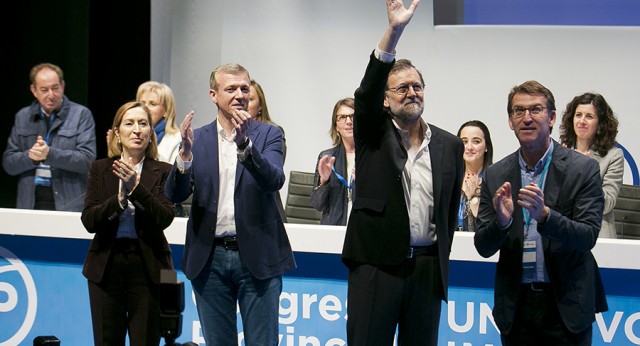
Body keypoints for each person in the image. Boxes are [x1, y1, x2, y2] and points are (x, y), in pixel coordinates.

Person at [342, 1, 465, 344]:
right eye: (402, 88)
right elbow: (365, 91)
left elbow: (447, 210)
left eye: (417, 86)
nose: (411, 92)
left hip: (426, 271)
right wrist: (394, 31)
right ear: (385, 100)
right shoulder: (371, 133)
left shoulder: (449, 145)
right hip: (376, 268)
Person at [165, 63, 296, 345]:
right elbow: (174, 194)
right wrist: (185, 155)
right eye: (231, 88)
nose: (240, 94)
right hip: (209, 259)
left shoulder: (268, 134)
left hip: (258, 257)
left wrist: (244, 145)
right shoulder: (196, 138)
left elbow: (274, 180)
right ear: (213, 95)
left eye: (244, 88)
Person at [474, 80, 608, 345]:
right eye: (518, 111)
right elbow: (483, 246)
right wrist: (501, 223)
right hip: (516, 307)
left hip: (566, 305)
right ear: (510, 121)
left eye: (536, 109)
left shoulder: (582, 169)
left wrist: (546, 216)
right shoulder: (496, 174)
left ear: (552, 117)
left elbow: (587, 236)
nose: (527, 118)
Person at [81, 101, 175, 345]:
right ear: (117, 133)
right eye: (129, 123)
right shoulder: (100, 169)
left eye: (143, 124)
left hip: (148, 267)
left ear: (151, 134)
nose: (137, 130)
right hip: (106, 265)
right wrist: (119, 200)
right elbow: (89, 220)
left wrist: (136, 189)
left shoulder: (163, 171)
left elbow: (164, 217)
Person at [2, 62, 96, 211]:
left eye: (55, 88)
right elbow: (9, 164)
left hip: (68, 203)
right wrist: (31, 157)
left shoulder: (81, 114)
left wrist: (49, 154)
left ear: (63, 86)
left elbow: (87, 161)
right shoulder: (22, 116)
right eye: (44, 90)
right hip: (30, 203)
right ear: (34, 90)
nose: (51, 95)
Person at [560, 92, 623, 238]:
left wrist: (583, 172)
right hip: (563, 231)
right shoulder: (561, 151)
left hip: (597, 234)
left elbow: (607, 204)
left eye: (589, 116)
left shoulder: (613, 155)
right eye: (578, 115)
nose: (582, 121)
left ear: (600, 123)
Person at [106, 81, 182, 165]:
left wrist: (152, 150)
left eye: (152, 104)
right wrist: (115, 149)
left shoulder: (176, 139)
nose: (146, 107)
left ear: (166, 111)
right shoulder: (128, 135)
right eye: (142, 103)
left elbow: (173, 174)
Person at [311, 97, 356, 226]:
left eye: (353, 116)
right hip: (333, 230)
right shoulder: (327, 157)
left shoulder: (371, 158)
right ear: (336, 126)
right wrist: (323, 182)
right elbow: (317, 205)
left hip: (362, 231)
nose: (348, 121)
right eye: (342, 117)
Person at [248, 79, 288, 222]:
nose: (244, 102)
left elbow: (271, 173)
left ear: (260, 106)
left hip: (265, 212)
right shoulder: (226, 132)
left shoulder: (273, 132)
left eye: (250, 99)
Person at [456, 120, 493, 232]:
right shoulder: (450, 179)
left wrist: (473, 199)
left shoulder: (495, 180)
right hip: (453, 245)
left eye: (476, 141)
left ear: (486, 146)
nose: (469, 147)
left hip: (483, 246)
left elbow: (494, 226)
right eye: (464, 141)